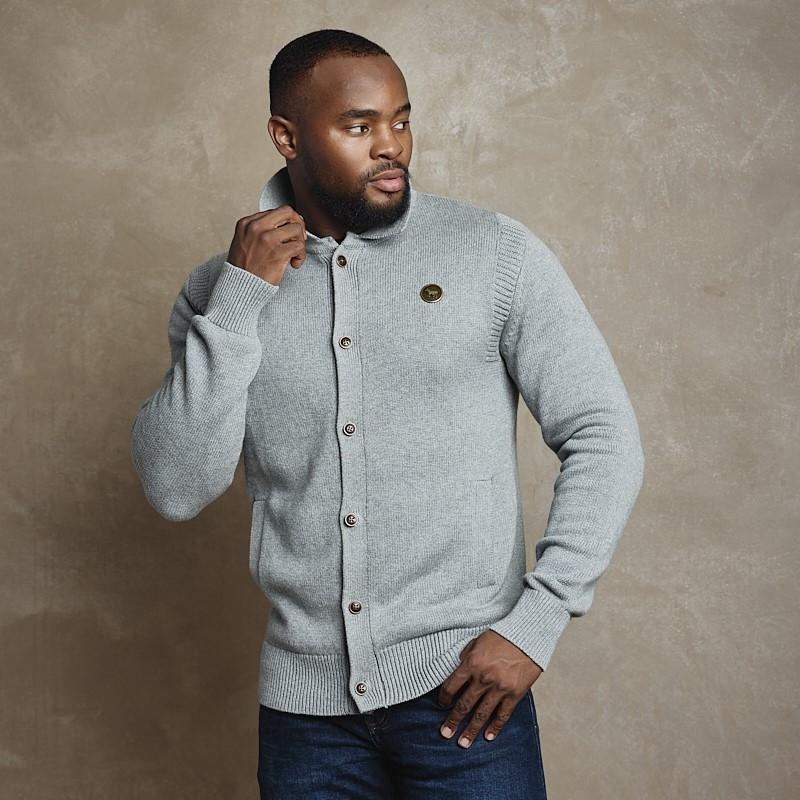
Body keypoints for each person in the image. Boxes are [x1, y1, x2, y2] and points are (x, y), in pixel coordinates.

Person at [130, 28, 645, 800]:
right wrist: (239, 302)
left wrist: (536, 623)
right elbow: (175, 487)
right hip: (304, 726)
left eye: (401, 120)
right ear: (287, 137)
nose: (391, 146)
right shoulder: (221, 290)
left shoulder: (491, 252)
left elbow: (603, 434)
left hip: (466, 698)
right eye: (359, 125)